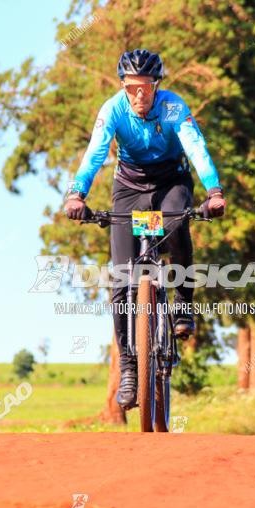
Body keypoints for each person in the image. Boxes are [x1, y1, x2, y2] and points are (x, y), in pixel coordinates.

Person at [63, 49, 226, 410]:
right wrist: (77, 195)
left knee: (177, 221)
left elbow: (196, 148)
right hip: (129, 187)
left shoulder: (172, 107)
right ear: (123, 86)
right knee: (120, 280)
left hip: (172, 181)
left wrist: (214, 192)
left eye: (146, 87)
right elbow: (95, 153)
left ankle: (184, 305)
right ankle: (129, 368)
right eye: (132, 87)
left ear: (157, 85)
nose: (139, 95)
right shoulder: (113, 110)